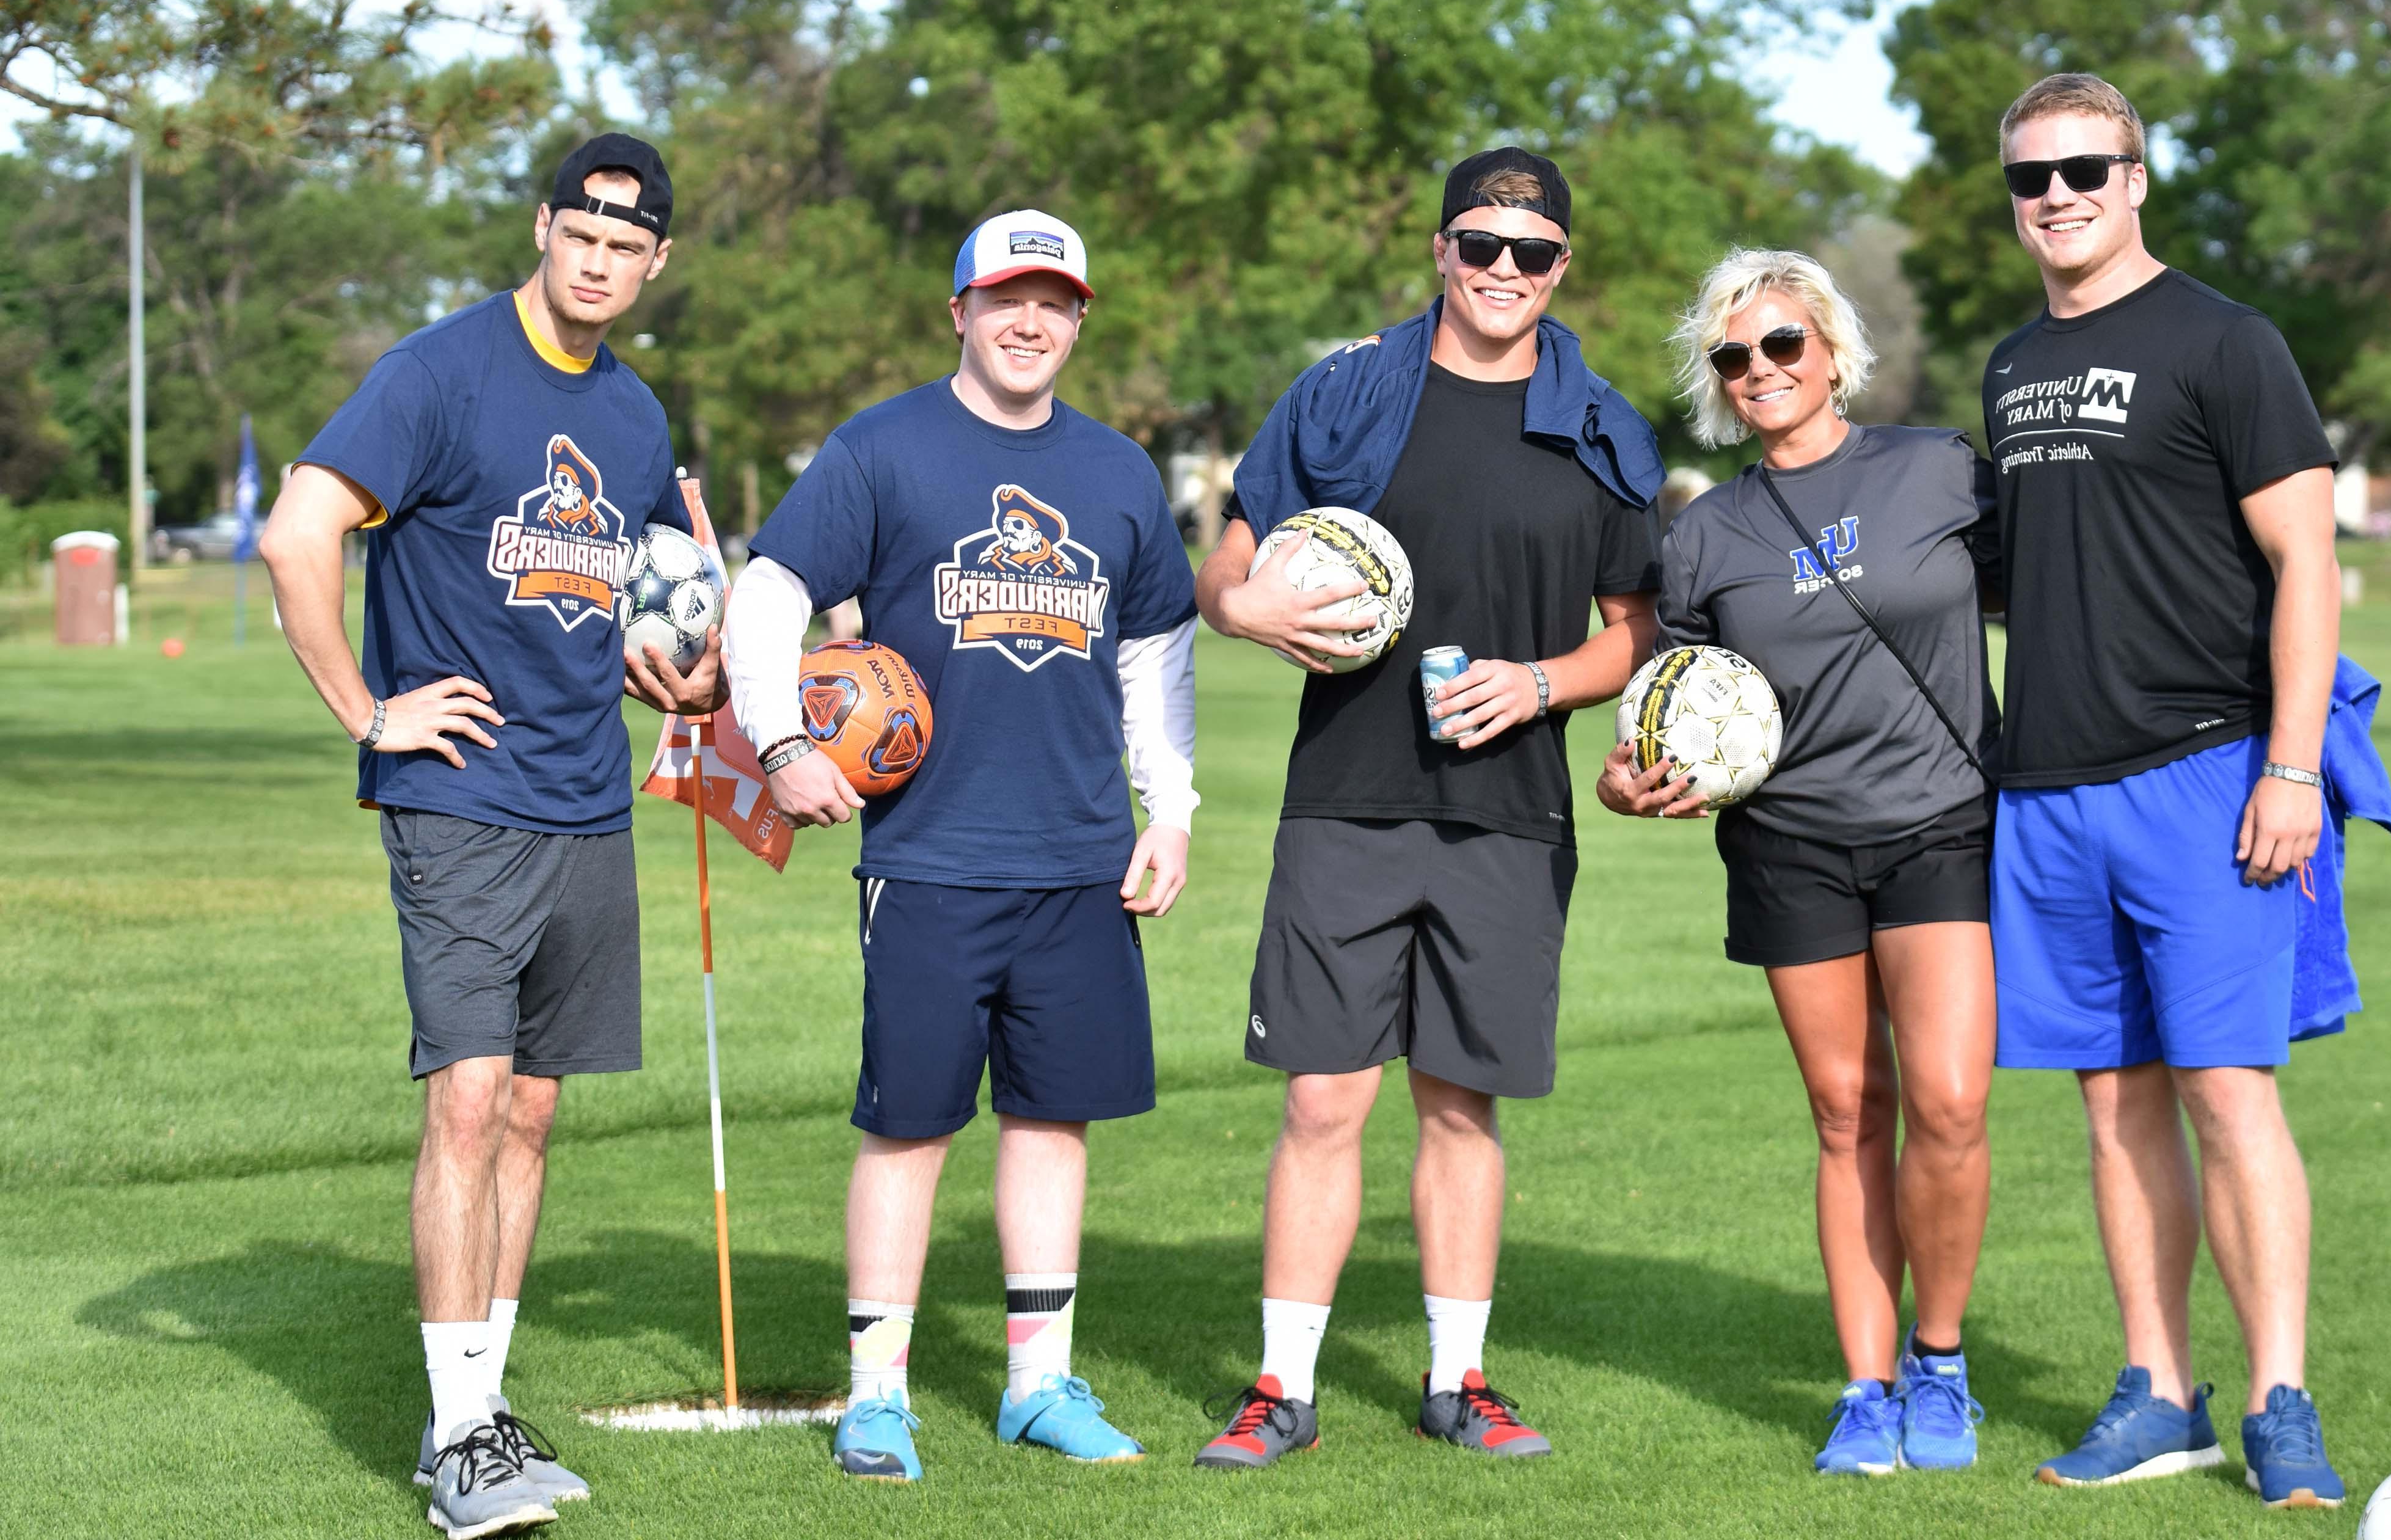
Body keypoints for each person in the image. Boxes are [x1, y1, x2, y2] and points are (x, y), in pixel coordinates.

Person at [258, 134, 718, 1538]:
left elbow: (642, 591)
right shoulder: (440, 371)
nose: (597, 256)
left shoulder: (635, 416)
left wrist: (674, 667)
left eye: (625, 241)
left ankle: (486, 1407)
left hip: (589, 801)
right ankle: (457, 1433)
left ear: (655, 261)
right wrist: (369, 708)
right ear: (543, 226)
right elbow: (298, 532)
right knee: (466, 1095)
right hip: (459, 794)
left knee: (530, 1106)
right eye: (579, 229)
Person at [1190, 148, 1665, 1470]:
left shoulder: (1601, 429)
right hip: (1345, 799)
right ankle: (1282, 1386)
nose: (1502, 271)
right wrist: (1250, 606)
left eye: (1531, 252)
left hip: (1509, 811)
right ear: (1440, 251)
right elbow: (1227, 563)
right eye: (1479, 244)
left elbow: (1634, 630)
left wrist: (1541, 681)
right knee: (1324, 1100)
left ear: (1562, 267)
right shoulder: (1343, 392)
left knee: (1462, 1104)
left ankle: (1459, 1380)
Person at [720, 209, 1200, 1482]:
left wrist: (1175, 809)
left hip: (1081, 854)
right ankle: (876, 1394)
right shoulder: (883, 449)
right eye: (1004, 298)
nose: (1028, 320)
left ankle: (1038, 1384)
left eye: (1052, 299)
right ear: (960, 312)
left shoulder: (1120, 473)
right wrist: (778, 744)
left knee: (1054, 1119)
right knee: (911, 1123)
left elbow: (1156, 655)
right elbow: (766, 596)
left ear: (1080, 315)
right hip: (931, 856)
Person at [1981, 73, 2349, 1508]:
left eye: (2084, 168)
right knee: (2111, 1100)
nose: (2057, 195)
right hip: (2048, 790)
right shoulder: (2013, 369)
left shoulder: (2226, 340)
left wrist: (2293, 762)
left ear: (2135, 177)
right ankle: (2158, 1391)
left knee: (2226, 1091)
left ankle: (2279, 1399)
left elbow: (2306, 565)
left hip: (2209, 774)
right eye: (2031, 178)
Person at [1597, 249, 2001, 1477]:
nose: (1760, 369)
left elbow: (2057, 589)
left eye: (1782, 344)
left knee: (1948, 1100)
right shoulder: (1706, 531)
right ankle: (1866, 1387)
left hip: (1939, 818)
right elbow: (1675, 699)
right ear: (1715, 381)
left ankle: (1941, 1360)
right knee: (1845, 1112)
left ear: (1831, 351)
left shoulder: (1936, 469)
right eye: (1734, 355)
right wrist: (1630, 775)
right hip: (1791, 842)